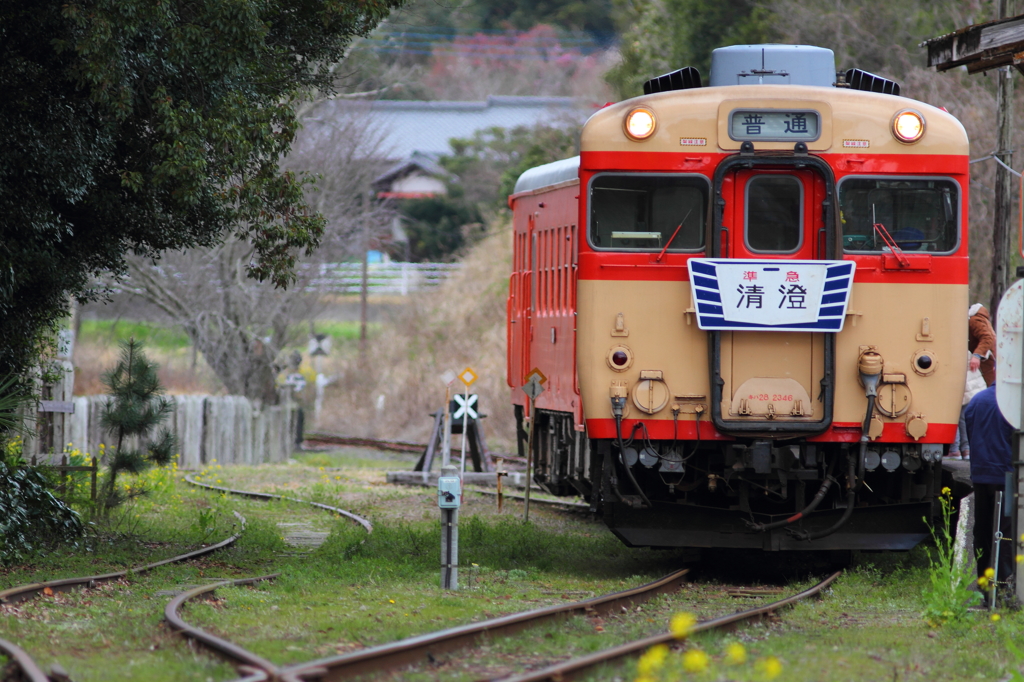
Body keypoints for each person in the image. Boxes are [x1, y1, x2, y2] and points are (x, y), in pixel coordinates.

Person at [963, 383, 1015, 593]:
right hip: (1006, 475)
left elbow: (969, 428)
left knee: (983, 531)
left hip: (981, 474)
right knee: (1006, 532)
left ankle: (984, 585)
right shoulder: (1012, 403)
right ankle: (1002, 587)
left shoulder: (977, 400)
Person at [949, 350, 987, 460]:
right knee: (962, 418)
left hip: (963, 385)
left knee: (952, 416)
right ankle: (965, 450)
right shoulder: (963, 347)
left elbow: (988, 336)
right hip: (971, 385)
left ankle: (955, 449)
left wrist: (977, 355)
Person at [969, 303, 997, 386]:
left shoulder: (974, 320)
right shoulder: (978, 318)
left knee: (990, 388)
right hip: (988, 361)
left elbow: (988, 338)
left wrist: (977, 355)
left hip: (986, 362)